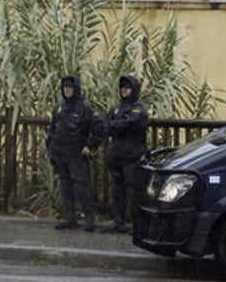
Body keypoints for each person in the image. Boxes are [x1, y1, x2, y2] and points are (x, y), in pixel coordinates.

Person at [95, 74, 150, 234]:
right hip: (116, 155)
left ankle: (137, 224)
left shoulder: (139, 108)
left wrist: (114, 125)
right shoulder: (116, 107)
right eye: (122, 87)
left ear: (134, 89)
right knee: (117, 190)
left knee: (133, 190)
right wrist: (114, 125)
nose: (124, 90)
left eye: (127, 87)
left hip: (133, 156)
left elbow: (128, 124)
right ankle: (118, 221)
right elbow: (104, 124)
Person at [47, 73, 99, 232]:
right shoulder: (59, 107)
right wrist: (51, 149)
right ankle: (70, 217)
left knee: (81, 186)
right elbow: (53, 130)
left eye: (70, 87)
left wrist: (90, 146)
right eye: (65, 88)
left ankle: (89, 218)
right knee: (65, 186)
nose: (67, 90)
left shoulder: (85, 107)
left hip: (76, 153)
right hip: (61, 152)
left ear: (76, 88)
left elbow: (99, 128)